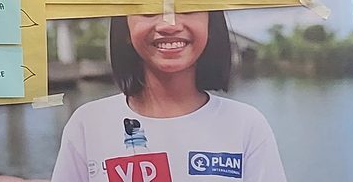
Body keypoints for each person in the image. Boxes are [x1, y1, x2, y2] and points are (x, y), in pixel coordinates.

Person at [51, 12, 286, 182]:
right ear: (125, 25)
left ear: (210, 23)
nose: (169, 24)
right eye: (150, 10)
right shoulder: (88, 123)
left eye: (187, 8)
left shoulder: (246, 124)